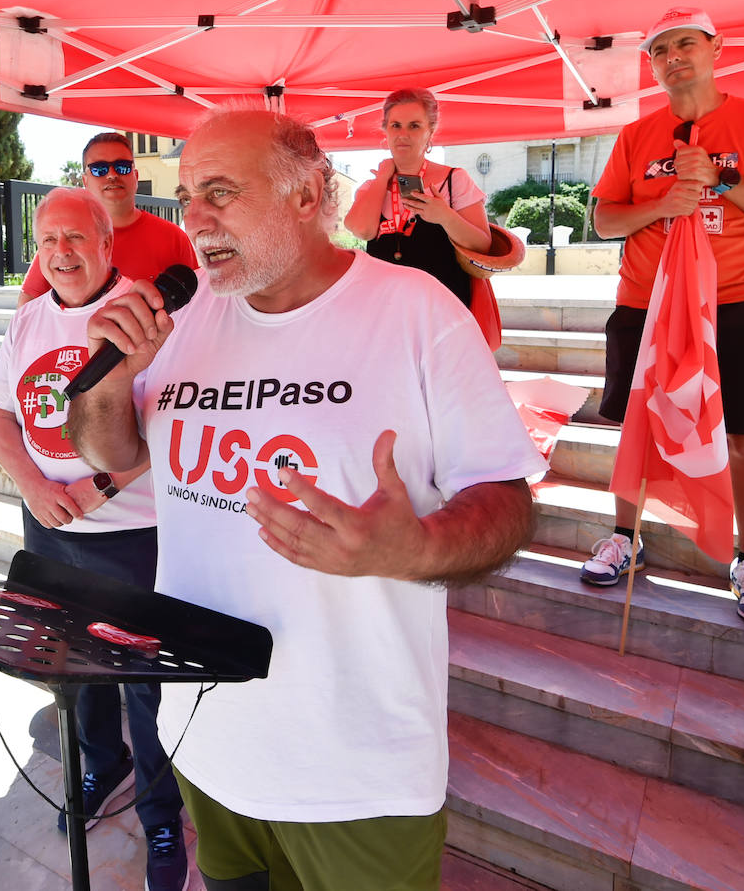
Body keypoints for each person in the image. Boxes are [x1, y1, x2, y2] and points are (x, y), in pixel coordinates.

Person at [67, 110, 546, 891]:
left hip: (358, 770)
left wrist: (415, 549)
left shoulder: (417, 311)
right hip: (207, 740)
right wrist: (111, 379)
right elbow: (111, 452)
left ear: (308, 194)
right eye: (187, 197)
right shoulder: (181, 317)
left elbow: (508, 500)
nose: (195, 219)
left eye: (220, 191)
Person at [0, 187, 188, 891]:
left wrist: (95, 490)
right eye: (48, 241)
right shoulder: (29, 320)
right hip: (46, 527)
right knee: (73, 661)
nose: (62, 252)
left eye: (76, 238)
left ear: (108, 243)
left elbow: (169, 425)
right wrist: (34, 489)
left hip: (131, 533)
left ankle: (163, 810)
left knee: (142, 682)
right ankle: (104, 762)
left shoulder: (148, 316)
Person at [582, 7, 744, 628]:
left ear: (715, 48)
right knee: (636, 426)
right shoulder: (636, 134)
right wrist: (659, 204)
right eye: (660, 50)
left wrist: (721, 179)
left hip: (735, 302)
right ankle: (624, 538)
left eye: (685, 44)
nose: (673, 56)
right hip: (646, 305)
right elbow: (603, 221)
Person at [343, 88, 491, 308]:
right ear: (386, 130)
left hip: (441, 313)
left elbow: (483, 246)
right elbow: (362, 230)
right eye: (395, 125)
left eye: (414, 125)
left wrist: (445, 217)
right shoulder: (373, 185)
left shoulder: (454, 180)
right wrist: (383, 176)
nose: (403, 134)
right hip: (386, 311)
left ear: (430, 131)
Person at [17, 132, 197, 307]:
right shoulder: (61, 244)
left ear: (135, 177)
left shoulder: (173, 238)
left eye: (122, 166)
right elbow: (27, 310)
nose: (111, 175)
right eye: (99, 169)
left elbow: (199, 304)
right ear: (85, 181)